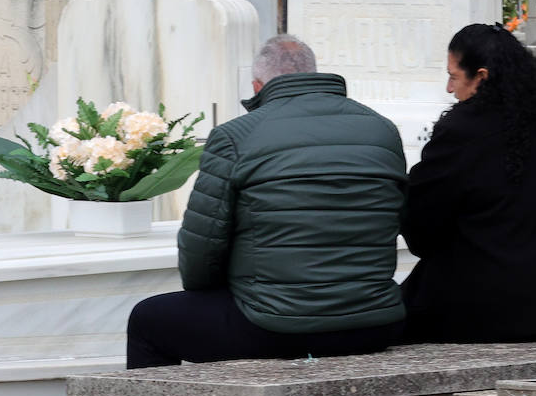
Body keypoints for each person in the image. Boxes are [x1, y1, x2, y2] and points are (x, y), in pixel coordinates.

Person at [125, 35, 407, 369]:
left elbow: (202, 247)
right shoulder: (382, 130)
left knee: (147, 320)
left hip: (275, 324)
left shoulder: (235, 136)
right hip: (372, 323)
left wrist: (216, 294)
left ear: (258, 85)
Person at [401, 23, 536, 343]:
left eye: (453, 76)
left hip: (511, 310)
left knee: (391, 314)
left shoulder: (463, 130)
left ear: (482, 76)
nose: (450, 89)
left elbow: (421, 228)